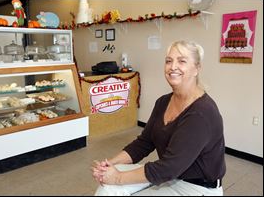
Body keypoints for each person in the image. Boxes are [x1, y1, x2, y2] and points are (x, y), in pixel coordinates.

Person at [91, 40, 226, 196]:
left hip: (196, 187)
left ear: (197, 68)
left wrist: (118, 178)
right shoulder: (163, 101)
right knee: (107, 189)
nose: (173, 66)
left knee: (115, 182)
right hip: (171, 176)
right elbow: (144, 143)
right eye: (169, 61)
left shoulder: (201, 113)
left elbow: (169, 167)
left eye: (182, 61)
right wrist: (110, 165)